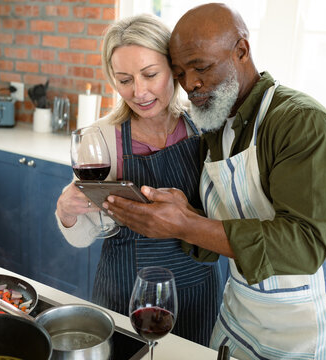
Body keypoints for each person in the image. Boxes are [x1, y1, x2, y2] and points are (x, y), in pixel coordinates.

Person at [104, 3, 326, 359]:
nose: (190, 83)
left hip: (314, 329)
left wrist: (186, 224)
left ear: (241, 51)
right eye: (180, 72)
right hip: (242, 321)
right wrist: (176, 214)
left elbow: (303, 245)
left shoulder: (300, 122)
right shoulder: (214, 126)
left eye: (201, 67)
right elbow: (218, 227)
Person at [55, 14, 221, 346]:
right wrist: (67, 211)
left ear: (173, 69)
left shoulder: (205, 128)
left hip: (196, 292)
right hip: (124, 293)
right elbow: (83, 237)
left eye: (150, 75)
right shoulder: (100, 138)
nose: (139, 91)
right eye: (124, 79)